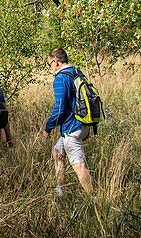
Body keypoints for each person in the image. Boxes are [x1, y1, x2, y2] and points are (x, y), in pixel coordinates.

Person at [44, 47, 94, 195]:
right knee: (57, 151)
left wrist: (48, 128)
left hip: (72, 128)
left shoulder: (61, 78)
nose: (51, 67)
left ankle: (95, 200)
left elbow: (59, 107)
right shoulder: (76, 73)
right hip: (83, 124)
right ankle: (59, 190)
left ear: (56, 61)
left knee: (79, 166)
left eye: (50, 64)